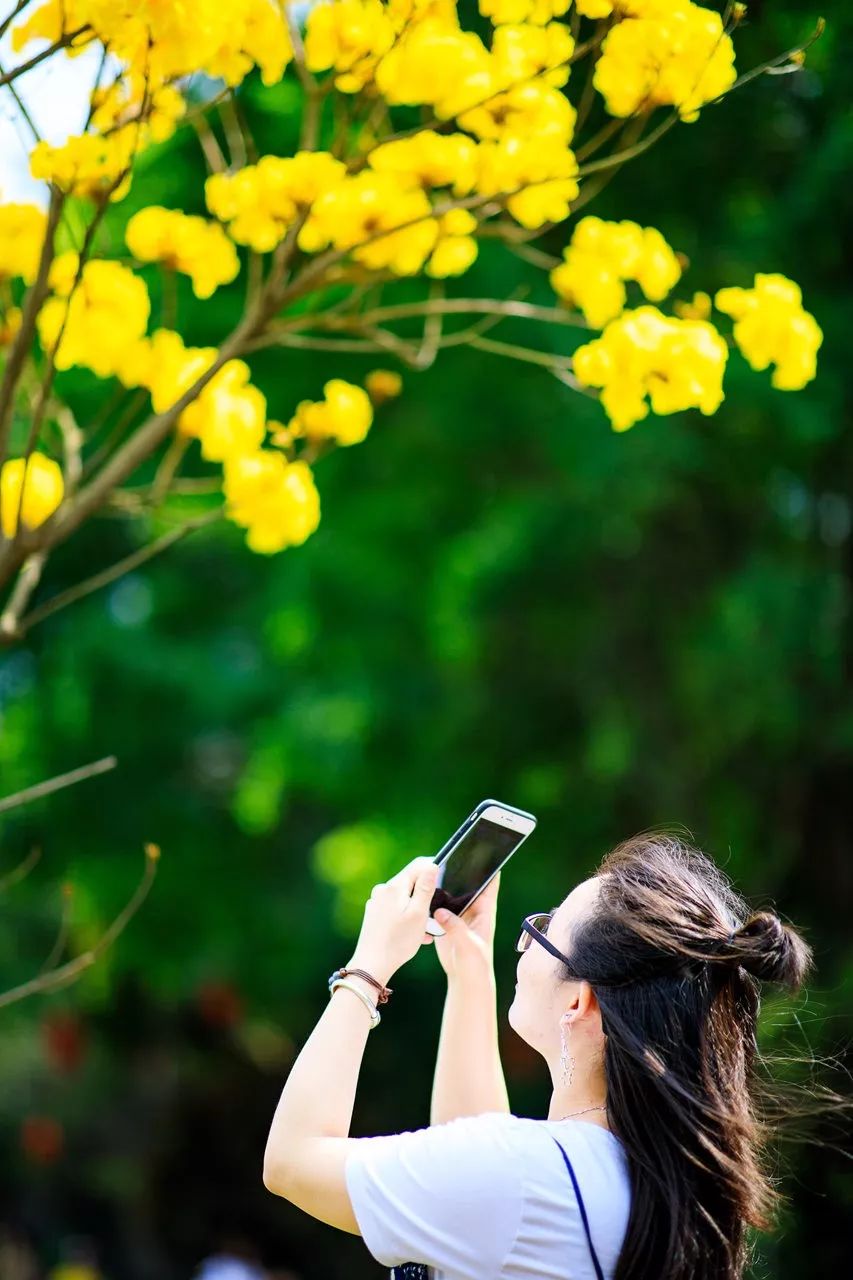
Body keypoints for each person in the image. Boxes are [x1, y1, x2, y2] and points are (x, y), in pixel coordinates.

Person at [262, 832, 813, 1280]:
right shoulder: (651, 1181)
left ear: (579, 1001)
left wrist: (367, 966)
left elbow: (292, 1160)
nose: (525, 940)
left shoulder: (524, 1176)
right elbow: (482, 1202)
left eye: (545, 930)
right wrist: (471, 973)